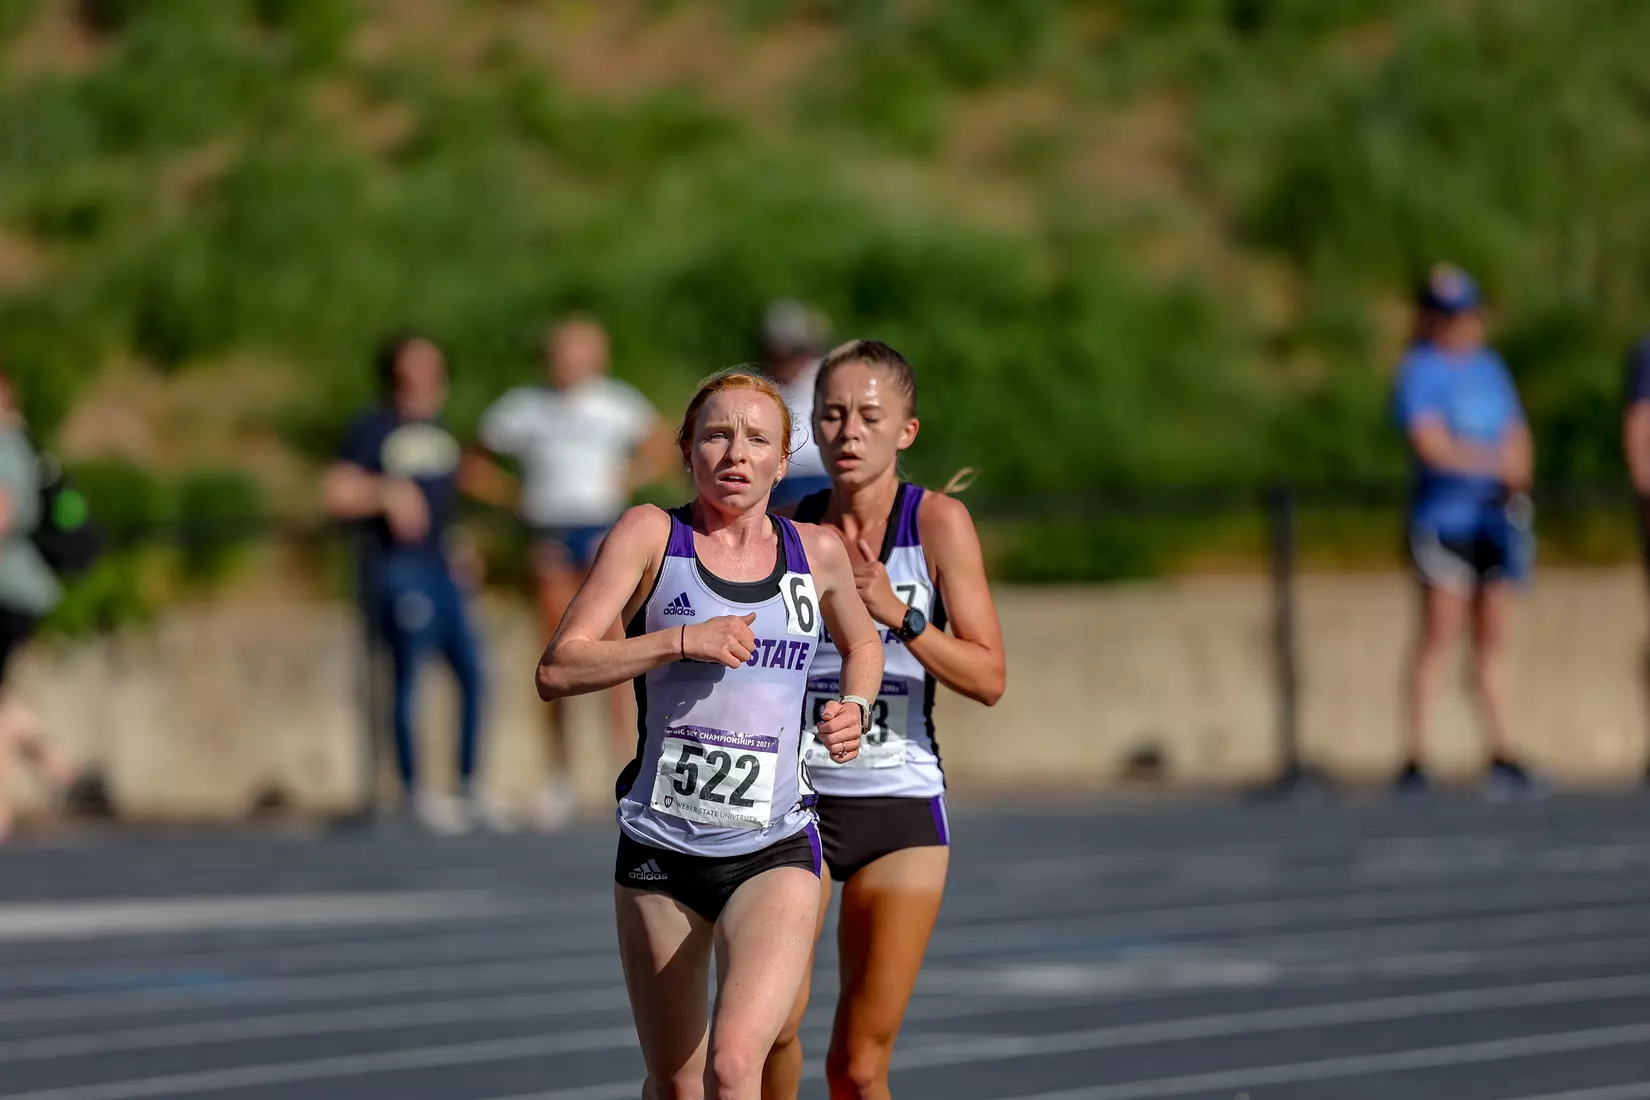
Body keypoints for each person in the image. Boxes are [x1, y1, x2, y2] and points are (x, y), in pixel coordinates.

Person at [535, 369, 882, 1100]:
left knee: (733, 1067)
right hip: (662, 848)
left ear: (782, 463)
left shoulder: (815, 552)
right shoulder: (649, 534)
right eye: (717, 435)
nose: (736, 452)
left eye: (757, 439)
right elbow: (559, 668)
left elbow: (863, 644)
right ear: (686, 450)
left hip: (775, 847)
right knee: (678, 1082)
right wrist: (678, 640)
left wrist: (854, 705)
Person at [763, 340, 1006, 1100]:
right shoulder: (787, 529)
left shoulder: (936, 524)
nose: (848, 432)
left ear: (907, 430)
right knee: (771, 1031)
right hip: (792, 807)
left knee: (859, 1066)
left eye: (870, 416)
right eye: (831, 415)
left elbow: (989, 677)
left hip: (898, 803)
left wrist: (899, 617)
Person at [470, 316, 674, 830]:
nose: (571, 362)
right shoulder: (524, 407)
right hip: (551, 530)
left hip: (600, 527)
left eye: (581, 352)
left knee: (613, 651)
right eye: (563, 352)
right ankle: (558, 775)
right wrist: (516, 498)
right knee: (557, 653)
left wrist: (627, 478)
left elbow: (662, 446)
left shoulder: (614, 402)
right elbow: (472, 464)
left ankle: (624, 767)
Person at [323, 334, 495, 834]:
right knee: (408, 675)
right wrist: (385, 492)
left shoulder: (440, 430)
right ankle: (414, 789)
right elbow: (336, 492)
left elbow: (445, 501)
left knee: (472, 671)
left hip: (442, 567)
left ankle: (468, 784)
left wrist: (460, 543)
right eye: (414, 368)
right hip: (397, 567)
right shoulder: (372, 429)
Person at [1394, 265, 1538, 797]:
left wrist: (1515, 472)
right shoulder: (1420, 370)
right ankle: (1416, 753)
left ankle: (1501, 749)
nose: (1458, 325)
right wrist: (1490, 463)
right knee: (1440, 630)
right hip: (1444, 520)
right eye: (1447, 315)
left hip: (1495, 521)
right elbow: (1430, 445)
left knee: (1493, 635)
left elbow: (1517, 436)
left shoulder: (1489, 368)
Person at [0, 365, 102, 840]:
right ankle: (57, 767)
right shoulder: (21, 443)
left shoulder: (4, 445)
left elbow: (3, 512)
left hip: (7, 589)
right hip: (22, 590)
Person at [761, 301, 832, 511]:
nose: (785, 360)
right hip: (774, 484)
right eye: (776, 353)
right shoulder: (759, 384)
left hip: (822, 478)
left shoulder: (828, 378)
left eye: (793, 351)